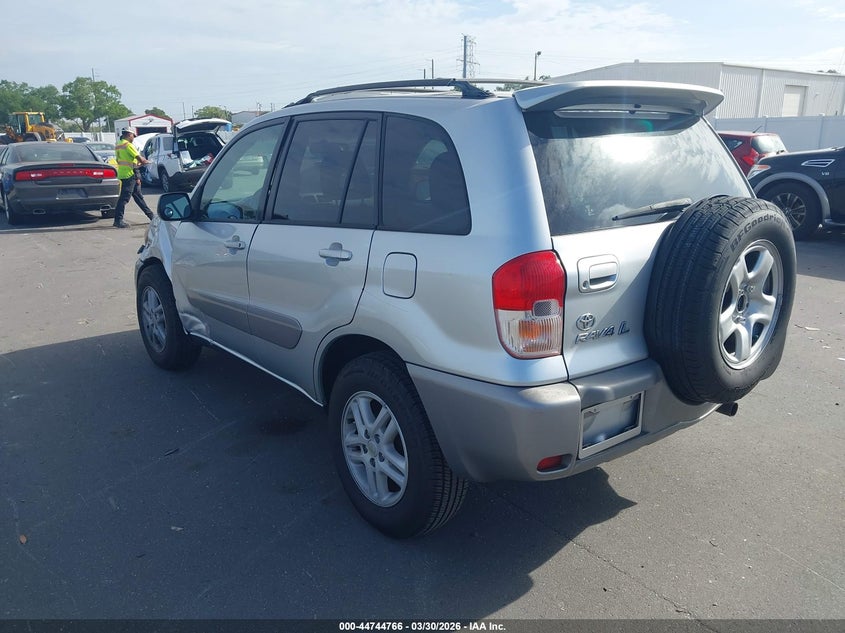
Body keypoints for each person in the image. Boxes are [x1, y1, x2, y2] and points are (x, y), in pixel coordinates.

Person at [113, 129, 151, 228]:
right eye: (133, 136)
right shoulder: (128, 145)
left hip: (124, 173)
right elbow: (140, 159)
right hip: (129, 174)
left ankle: (151, 216)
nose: (133, 138)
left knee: (138, 197)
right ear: (129, 135)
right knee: (124, 199)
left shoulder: (118, 145)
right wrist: (147, 161)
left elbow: (120, 160)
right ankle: (118, 220)